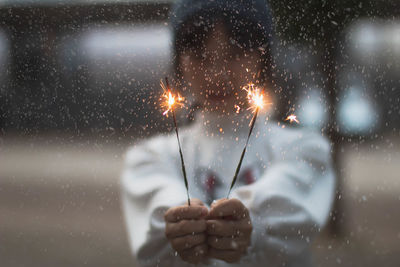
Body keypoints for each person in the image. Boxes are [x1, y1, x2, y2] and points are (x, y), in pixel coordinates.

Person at [121, 0, 335, 266]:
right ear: (180, 62)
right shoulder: (151, 158)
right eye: (200, 56)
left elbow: (290, 197)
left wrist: (254, 224)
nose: (217, 73)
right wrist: (178, 224)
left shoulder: (303, 149)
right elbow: (159, 207)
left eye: (235, 53)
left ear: (263, 57)